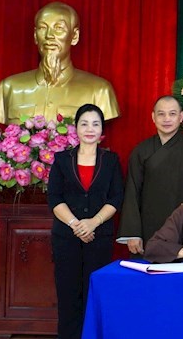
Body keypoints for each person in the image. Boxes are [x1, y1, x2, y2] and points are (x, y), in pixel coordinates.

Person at [47, 103, 124, 339]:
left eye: (95, 124)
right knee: (68, 296)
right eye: (84, 124)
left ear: (102, 130)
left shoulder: (111, 160)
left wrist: (93, 222)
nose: (90, 129)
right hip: (66, 238)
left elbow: (116, 197)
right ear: (76, 128)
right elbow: (55, 197)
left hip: (99, 238)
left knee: (95, 293)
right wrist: (76, 224)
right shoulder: (62, 160)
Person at [0, 1, 120, 124]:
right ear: (35, 36)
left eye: (59, 28)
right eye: (42, 28)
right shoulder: (9, 88)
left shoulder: (99, 91)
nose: (49, 36)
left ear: (74, 36)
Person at [117, 95, 183, 256]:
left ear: (181, 117)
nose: (166, 119)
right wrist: (133, 233)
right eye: (161, 114)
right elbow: (132, 191)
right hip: (148, 226)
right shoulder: (141, 151)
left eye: (172, 114)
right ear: (153, 117)